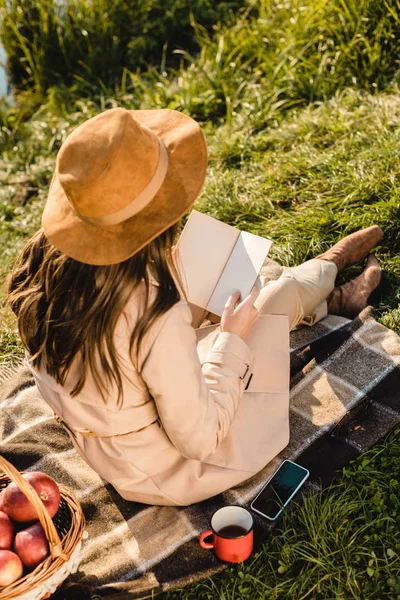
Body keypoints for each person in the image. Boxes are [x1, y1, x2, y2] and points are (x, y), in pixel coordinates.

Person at [6, 108, 383, 506]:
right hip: (168, 467)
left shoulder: (44, 260)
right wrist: (231, 340)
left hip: (123, 417)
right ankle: (331, 283)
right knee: (261, 305)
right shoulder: (151, 316)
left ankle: (321, 285)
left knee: (218, 263)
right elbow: (201, 439)